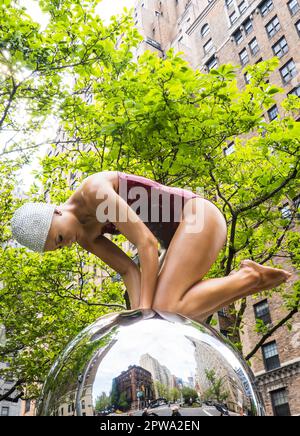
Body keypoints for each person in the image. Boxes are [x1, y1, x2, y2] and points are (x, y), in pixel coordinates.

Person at [11, 170, 293, 321]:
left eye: (59, 238)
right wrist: (139, 316)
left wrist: (146, 310)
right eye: (58, 248)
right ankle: (250, 281)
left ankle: (250, 277)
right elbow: (129, 272)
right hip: (180, 238)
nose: (66, 244)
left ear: (56, 212)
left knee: (163, 308)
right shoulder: (84, 237)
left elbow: (146, 244)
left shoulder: (94, 191)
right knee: (167, 315)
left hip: (197, 217)